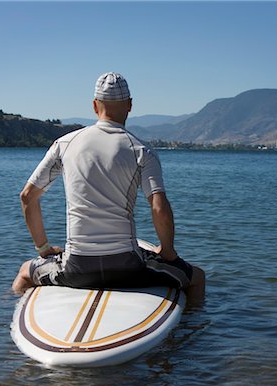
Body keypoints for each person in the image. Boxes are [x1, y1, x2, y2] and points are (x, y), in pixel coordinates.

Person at [12, 72, 205, 304]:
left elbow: (27, 197)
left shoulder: (64, 145)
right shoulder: (141, 151)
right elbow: (159, 207)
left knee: (25, 272)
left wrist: (43, 248)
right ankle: (189, 335)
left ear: (95, 105)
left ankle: (5, 327)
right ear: (130, 105)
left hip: (77, 268)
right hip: (128, 268)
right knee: (198, 278)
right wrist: (167, 251)